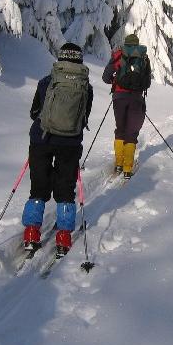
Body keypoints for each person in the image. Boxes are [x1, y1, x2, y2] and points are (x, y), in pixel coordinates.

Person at [22, 43, 93, 258]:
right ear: (79, 60)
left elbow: (35, 111)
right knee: (65, 189)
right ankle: (63, 236)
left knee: (39, 187)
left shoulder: (47, 81)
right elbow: (84, 117)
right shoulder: (85, 86)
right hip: (70, 144)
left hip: (42, 140)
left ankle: (32, 233)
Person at [103, 34, 151, 179]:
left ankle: (118, 163)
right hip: (136, 98)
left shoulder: (119, 55)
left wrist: (115, 81)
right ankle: (127, 168)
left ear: (126, 43)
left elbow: (106, 77)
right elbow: (147, 82)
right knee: (131, 132)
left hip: (119, 97)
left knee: (120, 129)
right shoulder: (143, 58)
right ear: (137, 44)